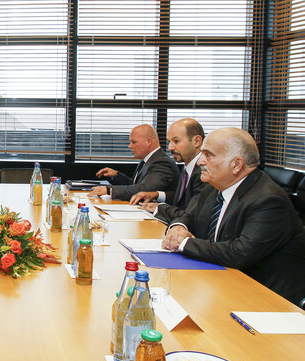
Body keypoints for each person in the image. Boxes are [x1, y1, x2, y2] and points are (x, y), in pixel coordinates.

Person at [162, 128, 305, 305]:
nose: (200, 161)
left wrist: (182, 243)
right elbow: (188, 216)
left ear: (236, 165)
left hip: (264, 300)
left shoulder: (268, 200)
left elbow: (239, 253)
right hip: (221, 282)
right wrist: (179, 228)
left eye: (208, 155)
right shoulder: (213, 187)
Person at [129, 118, 206, 223]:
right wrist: (156, 194)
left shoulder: (204, 172)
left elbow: (189, 215)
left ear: (196, 141)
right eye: (169, 142)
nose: (170, 147)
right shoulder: (187, 166)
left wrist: (159, 208)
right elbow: (182, 199)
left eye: (176, 141)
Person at [89, 124, 179, 201]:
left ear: (148, 142)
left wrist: (109, 190)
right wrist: (116, 176)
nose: (130, 146)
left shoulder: (162, 163)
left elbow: (145, 189)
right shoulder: (147, 161)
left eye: (133, 142)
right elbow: (134, 186)